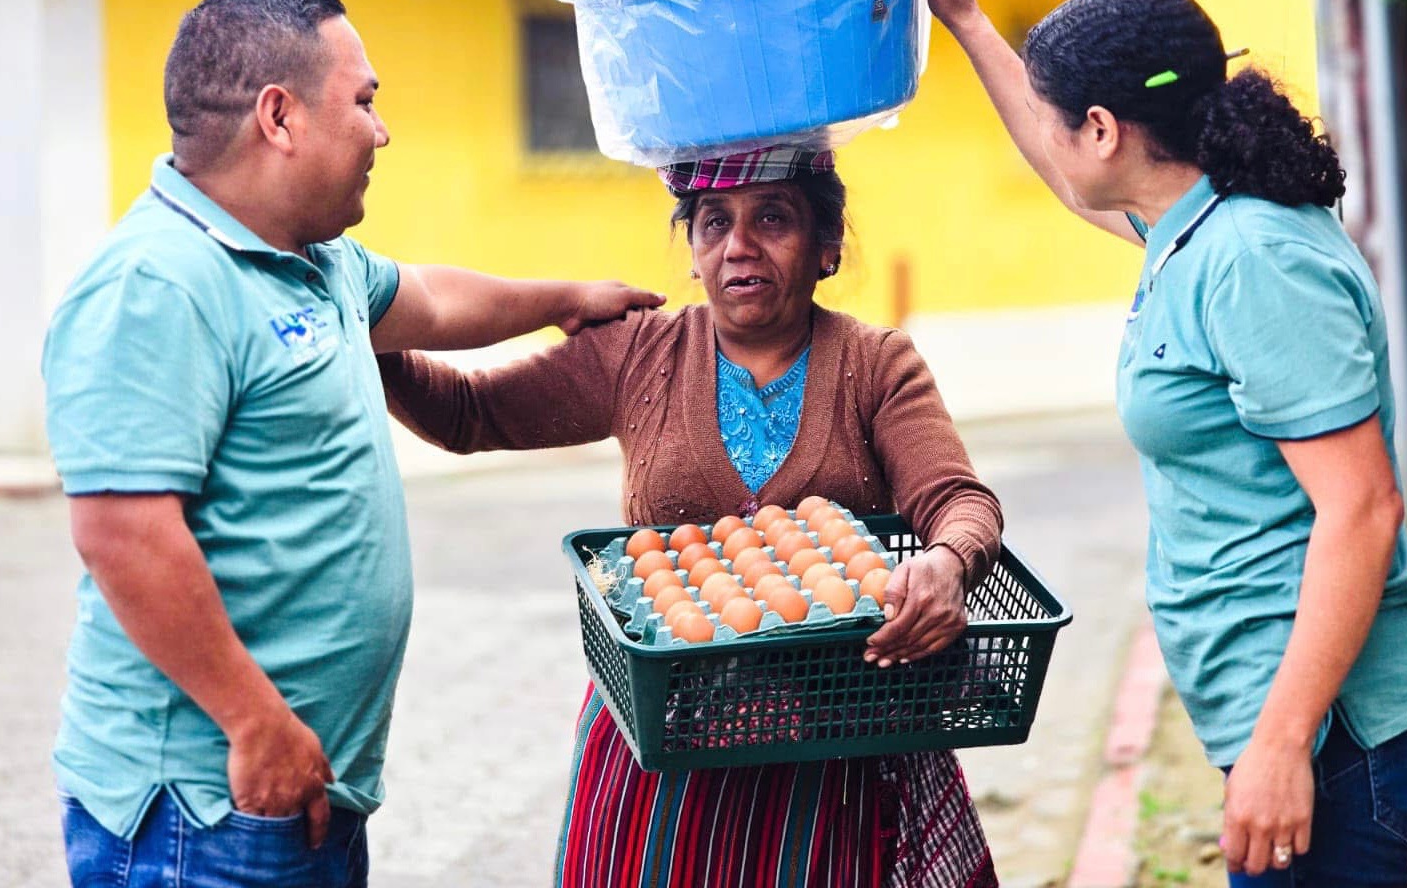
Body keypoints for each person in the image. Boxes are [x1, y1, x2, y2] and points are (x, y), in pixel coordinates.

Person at [41, 0, 664, 888]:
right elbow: (123, 534)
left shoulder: (313, 257)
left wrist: (566, 299)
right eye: (365, 101)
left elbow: (433, 299)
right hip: (206, 809)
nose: (382, 131)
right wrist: (256, 724)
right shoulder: (158, 284)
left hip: (297, 789)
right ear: (280, 117)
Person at [916, 0, 1407, 885]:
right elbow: (1063, 175)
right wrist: (963, 16)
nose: (1045, 134)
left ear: (1102, 130)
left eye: (1052, 113)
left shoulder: (1253, 258)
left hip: (1335, 736)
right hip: (1294, 722)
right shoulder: (1190, 227)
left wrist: (1282, 746)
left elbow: (1363, 508)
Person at [378, 147, 1006, 887]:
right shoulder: (638, 352)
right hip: (665, 740)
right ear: (693, 250)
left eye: (772, 218)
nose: (739, 245)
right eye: (714, 222)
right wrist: (359, 314)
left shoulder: (876, 365)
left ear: (827, 245)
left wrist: (947, 562)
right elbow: (465, 413)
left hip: (833, 741)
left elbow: (958, 499)